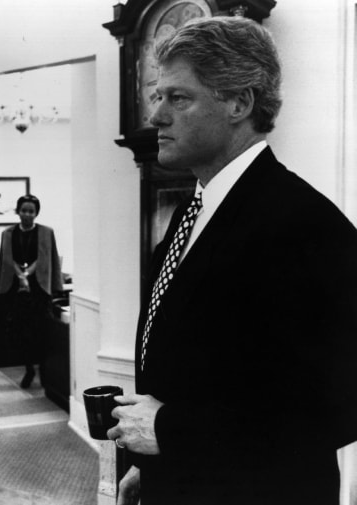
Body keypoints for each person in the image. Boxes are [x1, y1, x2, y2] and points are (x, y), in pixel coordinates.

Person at [106, 16, 357, 505]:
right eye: (158, 97)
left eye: (178, 98)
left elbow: (340, 407)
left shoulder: (306, 226)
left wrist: (170, 432)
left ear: (240, 103)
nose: (155, 115)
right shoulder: (194, 209)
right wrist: (157, 467)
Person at [0, 194, 63, 388]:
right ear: (18, 211)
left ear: (36, 213)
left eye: (31, 211)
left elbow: (48, 259)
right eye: (23, 210)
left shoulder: (46, 232)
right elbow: (6, 258)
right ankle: (29, 369)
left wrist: (29, 274)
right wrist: (20, 276)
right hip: (16, 290)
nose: (27, 214)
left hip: (39, 290)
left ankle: (43, 369)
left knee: (41, 331)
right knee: (20, 332)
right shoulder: (8, 233)